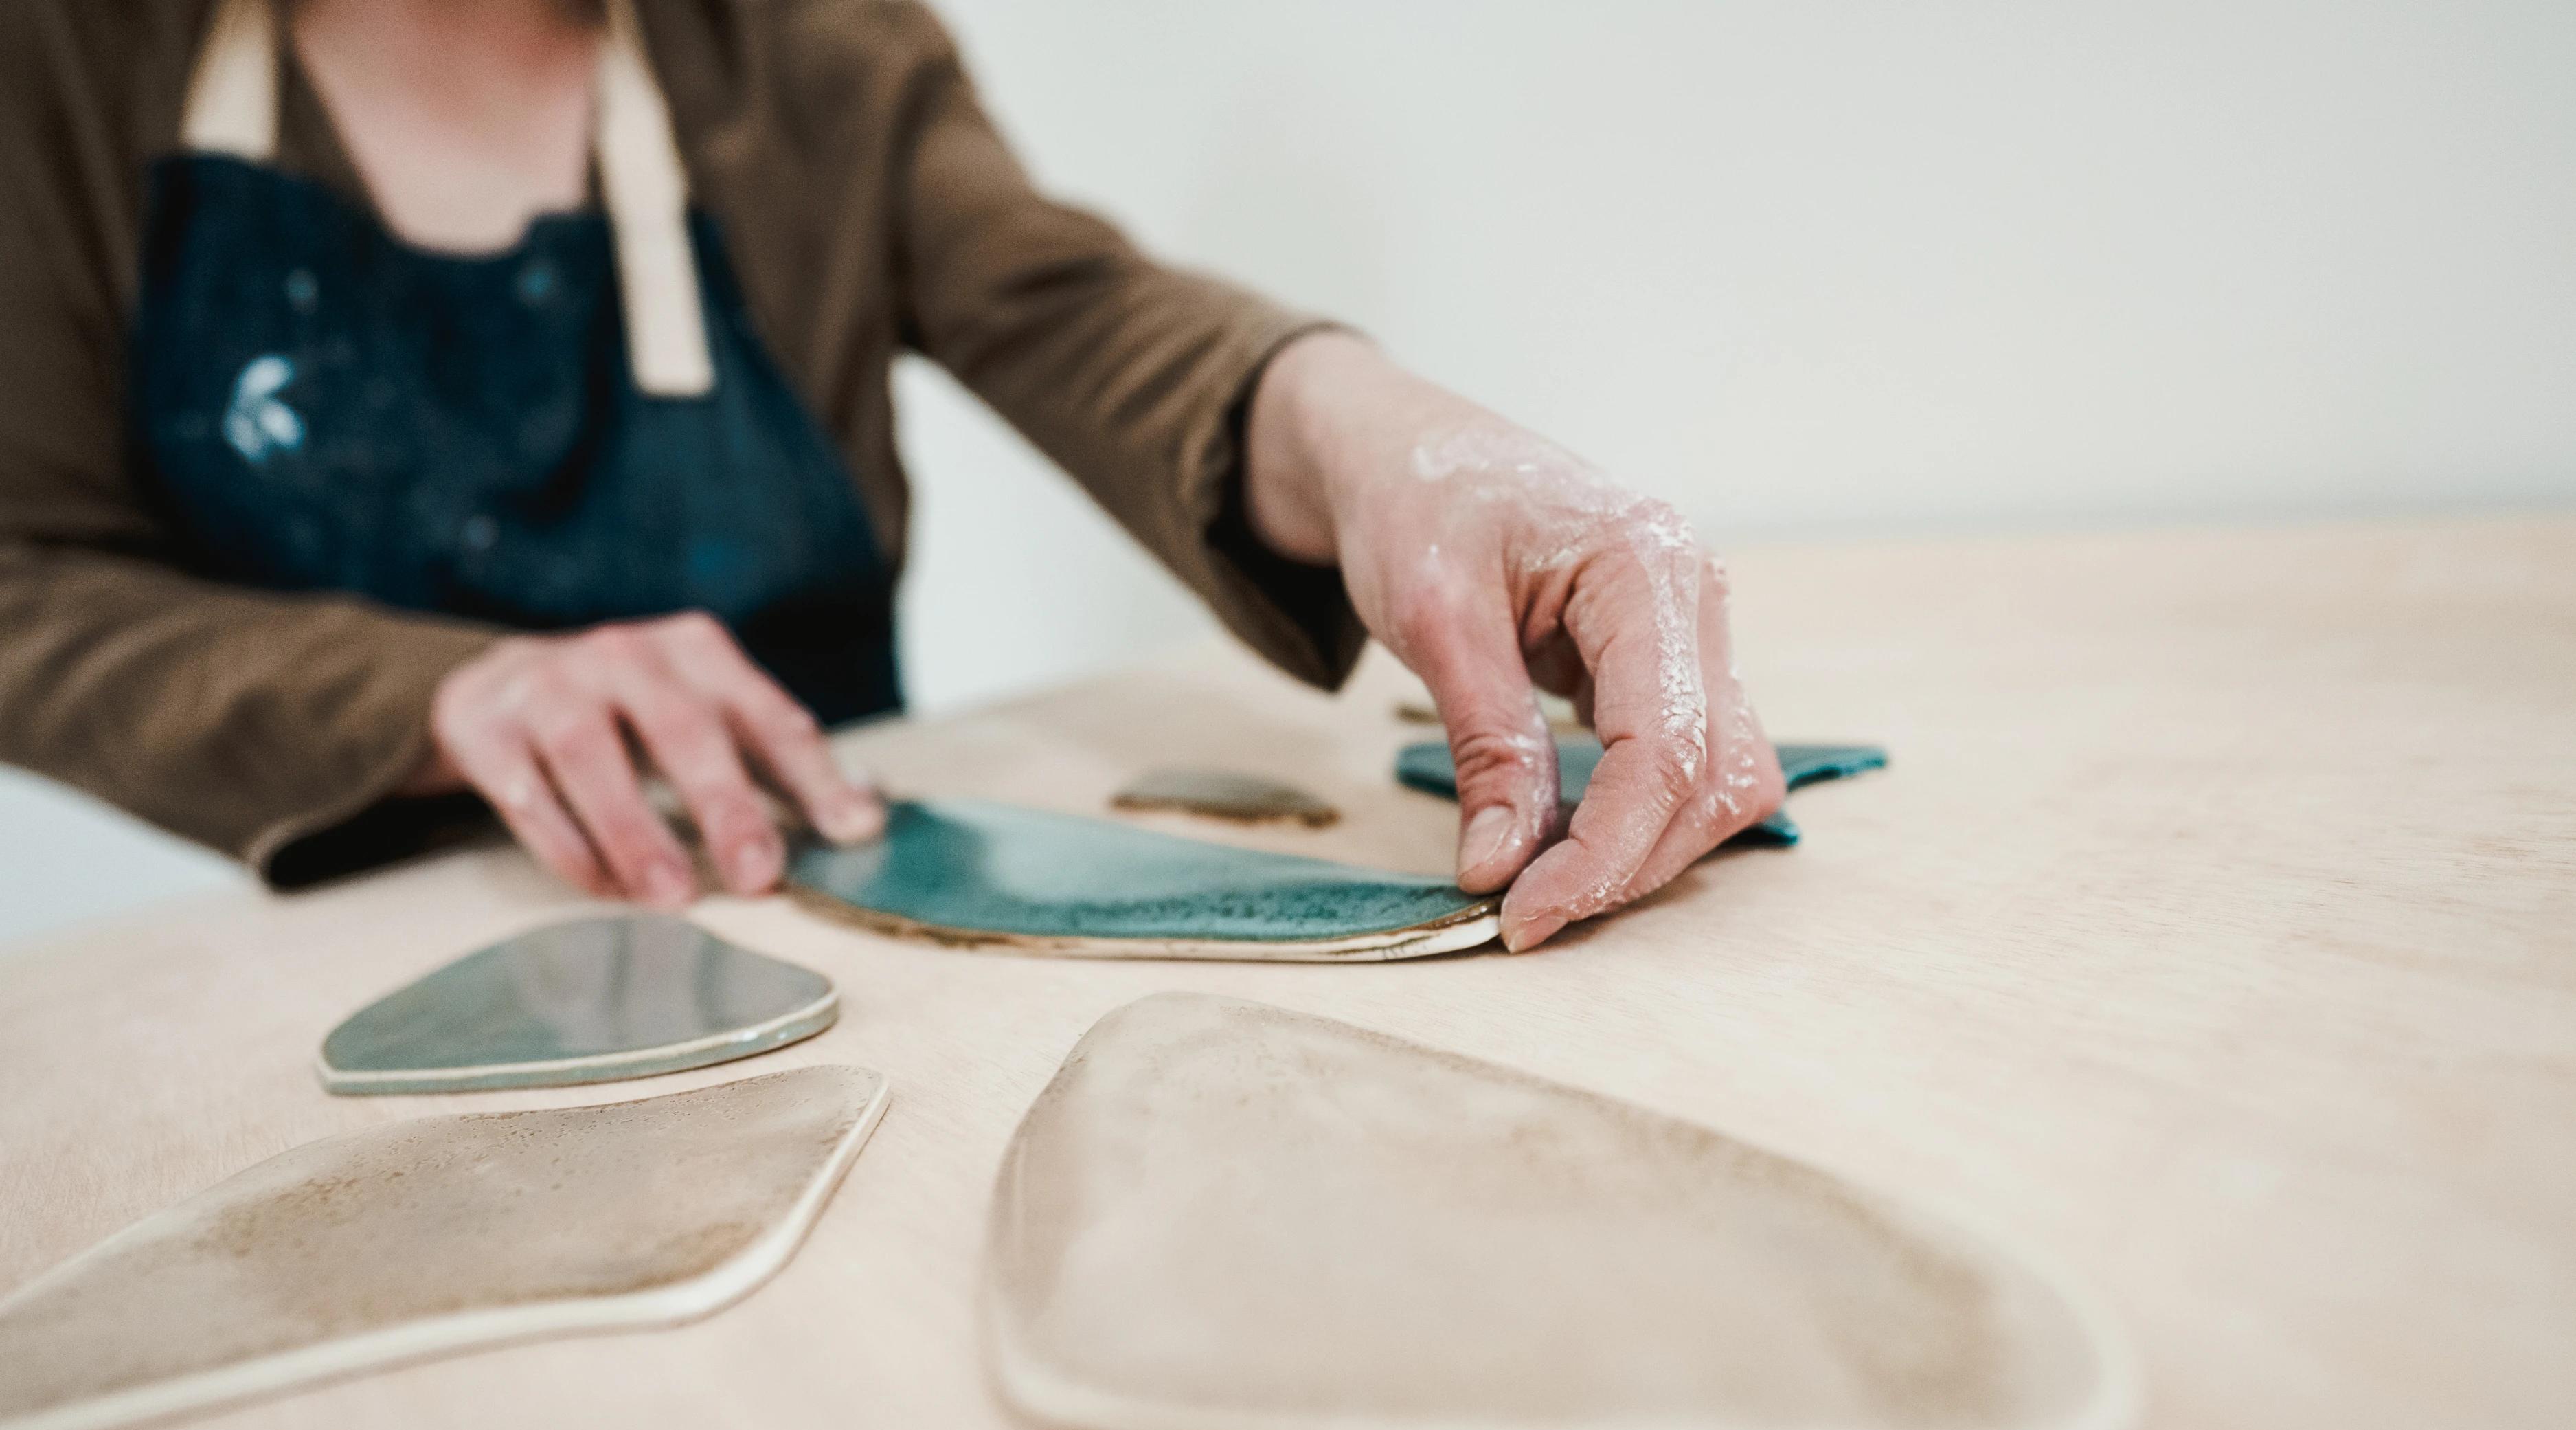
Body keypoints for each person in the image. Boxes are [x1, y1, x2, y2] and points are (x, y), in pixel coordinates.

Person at [0, 0, 1784, 952]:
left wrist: (1378, 432)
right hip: (370, 952)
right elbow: (25, 576)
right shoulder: (65, 71)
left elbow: (1082, 312)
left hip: (841, 926)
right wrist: (435, 691)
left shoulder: (806, 46)